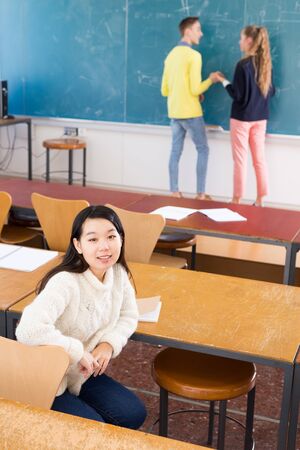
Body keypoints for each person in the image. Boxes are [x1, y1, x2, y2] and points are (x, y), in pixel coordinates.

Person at [16, 205, 146, 429]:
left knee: (133, 413)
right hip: (47, 375)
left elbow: (129, 315)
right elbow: (27, 330)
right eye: (93, 239)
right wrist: (76, 351)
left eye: (111, 237)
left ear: (121, 239)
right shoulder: (65, 281)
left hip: (80, 373)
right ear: (78, 245)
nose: (104, 247)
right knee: (92, 430)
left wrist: (109, 343)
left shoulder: (118, 273)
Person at [161, 16, 220, 200]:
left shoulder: (170, 55)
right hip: (191, 112)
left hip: (174, 112)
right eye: (198, 29)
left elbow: (164, 90)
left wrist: (185, 92)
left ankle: (174, 192)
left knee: (175, 151)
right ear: (188, 31)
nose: (201, 33)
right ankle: (201, 194)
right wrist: (211, 79)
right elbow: (195, 88)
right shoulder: (194, 56)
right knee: (203, 149)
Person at [218, 25, 275, 206]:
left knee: (240, 161)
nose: (239, 42)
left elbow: (238, 95)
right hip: (260, 119)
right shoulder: (265, 64)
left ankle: (237, 199)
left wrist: (223, 81)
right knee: (260, 160)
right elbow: (271, 92)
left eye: (241, 38)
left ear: (249, 41)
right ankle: (260, 199)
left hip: (242, 119)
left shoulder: (243, 65)